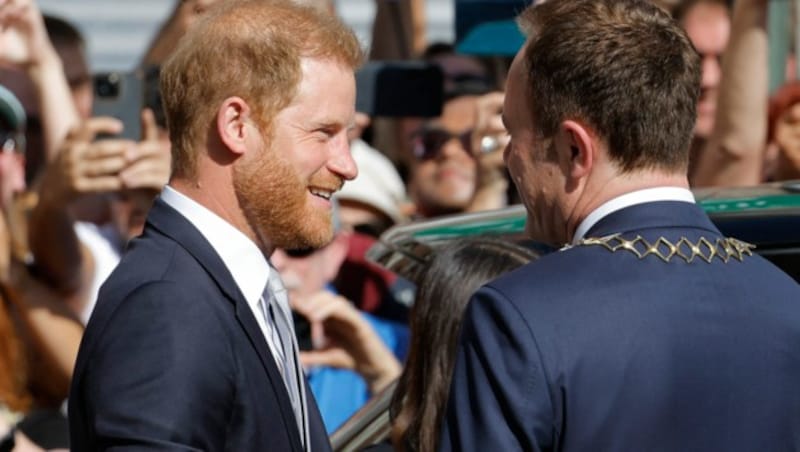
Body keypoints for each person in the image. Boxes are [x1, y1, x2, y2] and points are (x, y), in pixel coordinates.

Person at [440, 1, 800, 451]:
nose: (509, 154)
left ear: (574, 149)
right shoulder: (788, 301)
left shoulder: (519, 314)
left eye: (515, 132)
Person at [68, 1, 362, 451]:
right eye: (323, 133)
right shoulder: (168, 303)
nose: (348, 166)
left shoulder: (228, 286)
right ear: (236, 125)